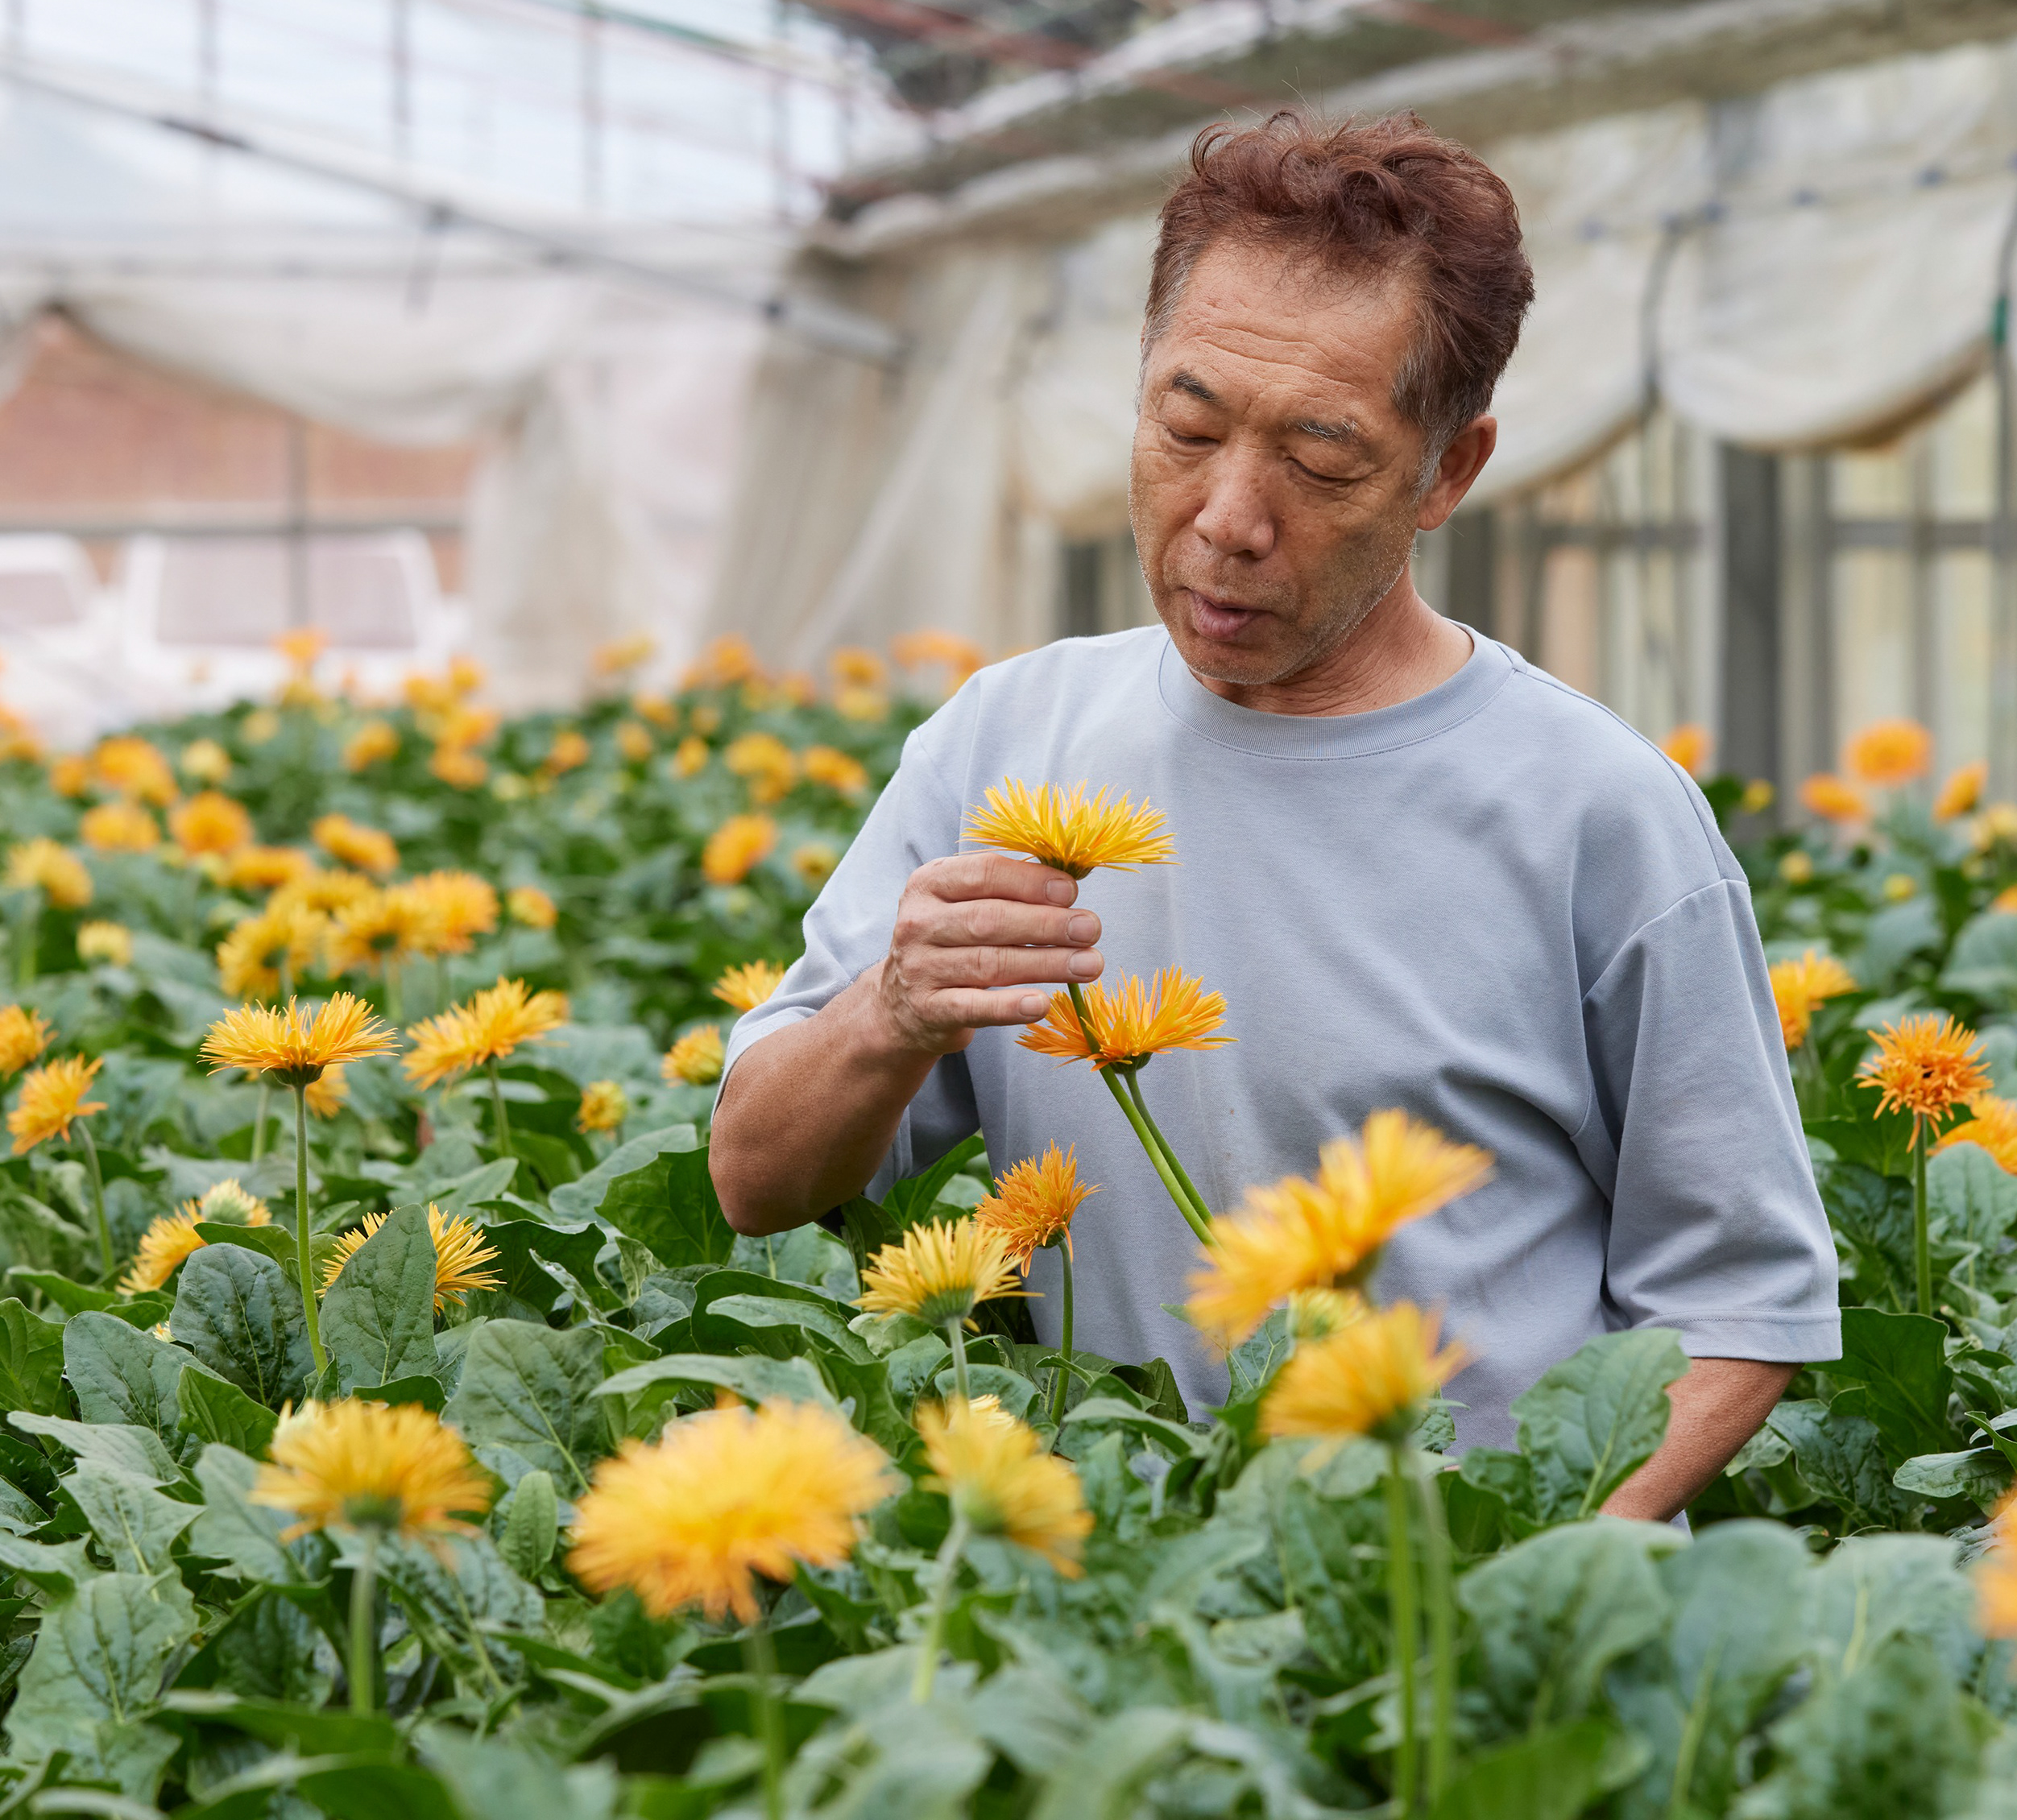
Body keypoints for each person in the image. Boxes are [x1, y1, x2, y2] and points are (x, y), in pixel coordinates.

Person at [713, 110, 1837, 1517]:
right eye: (1186, 427)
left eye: (1321, 459)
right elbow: (757, 1179)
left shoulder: (1597, 813)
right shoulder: (1003, 746)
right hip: (1124, 1589)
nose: (1228, 517)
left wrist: (1519, 1587)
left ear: (1448, 472)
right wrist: (890, 1011)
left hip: (1448, 1622)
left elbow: (1744, 1302)